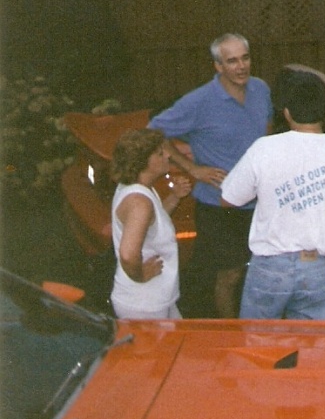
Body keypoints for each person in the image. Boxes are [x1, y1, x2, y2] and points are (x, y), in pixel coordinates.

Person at [220, 69, 325, 319]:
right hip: (318, 268)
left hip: (270, 266)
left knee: (258, 344)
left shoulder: (264, 149)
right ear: (324, 111)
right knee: (310, 347)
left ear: (286, 112)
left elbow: (228, 198)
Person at [148, 33, 273, 317]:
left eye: (245, 58)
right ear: (218, 66)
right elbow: (153, 130)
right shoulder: (199, 101)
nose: (241, 66)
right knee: (226, 277)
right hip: (220, 207)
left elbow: (265, 127)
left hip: (261, 203)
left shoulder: (261, 89)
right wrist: (191, 168)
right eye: (232, 61)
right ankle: (229, 337)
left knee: (260, 275)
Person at [110, 128, 193, 319]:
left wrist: (175, 197)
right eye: (159, 153)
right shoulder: (139, 203)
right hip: (144, 304)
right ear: (143, 162)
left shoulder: (136, 188)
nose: (167, 155)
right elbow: (128, 254)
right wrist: (139, 275)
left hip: (155, 298)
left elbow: (154, 221)